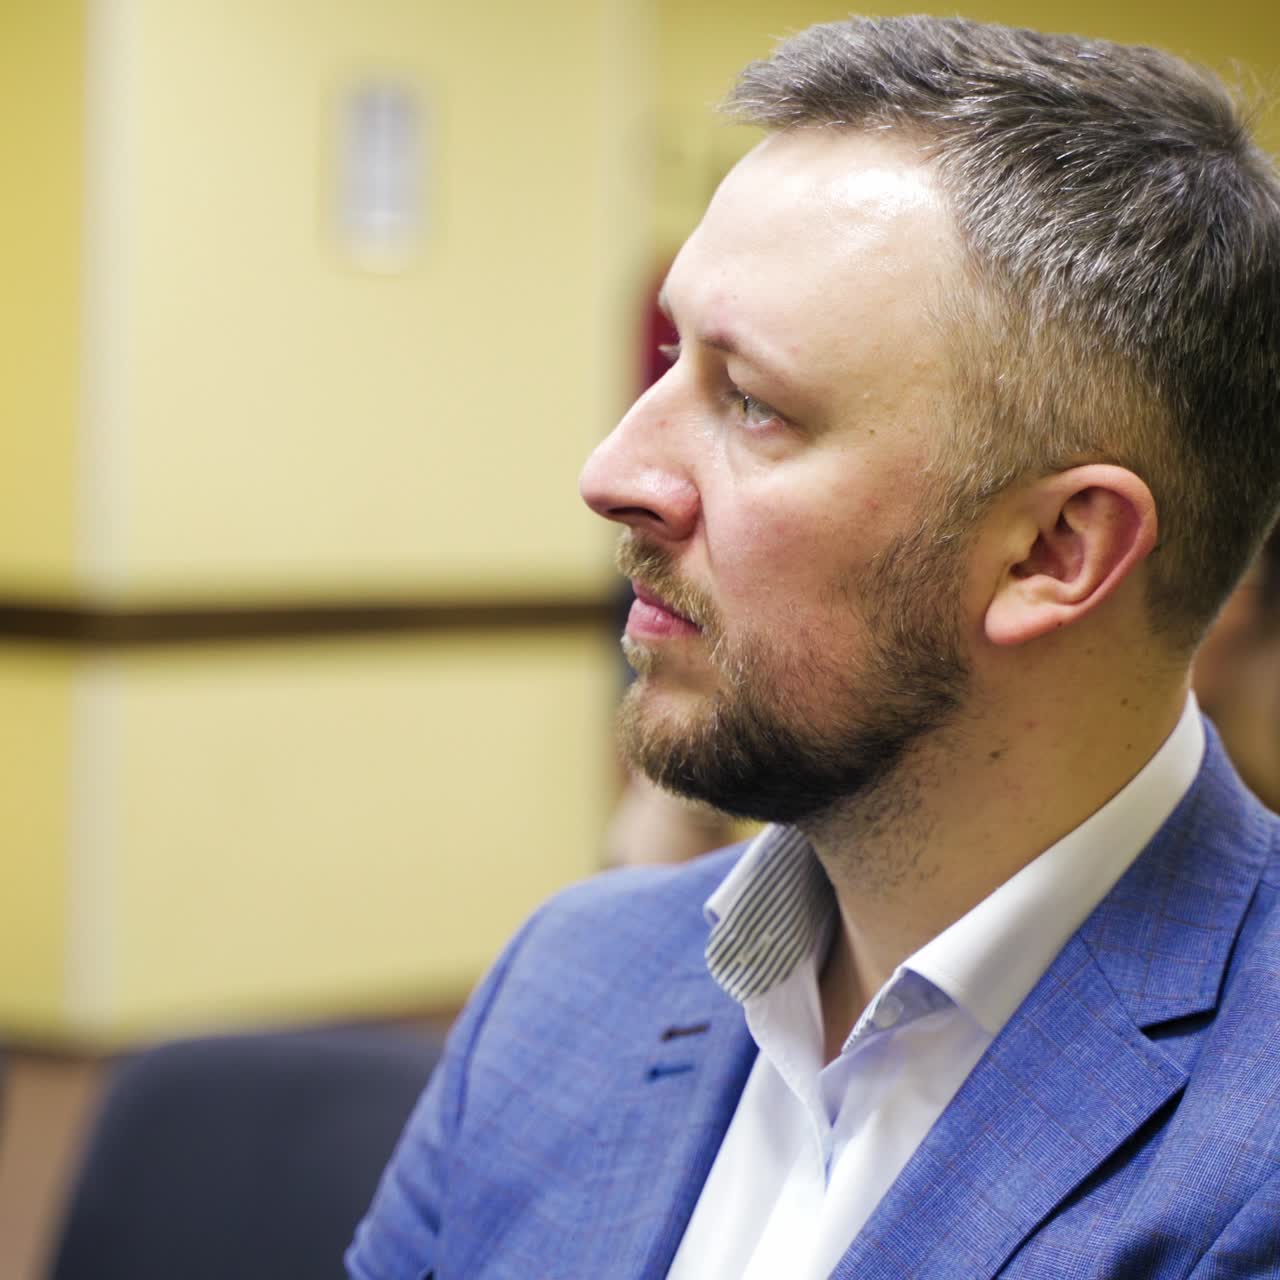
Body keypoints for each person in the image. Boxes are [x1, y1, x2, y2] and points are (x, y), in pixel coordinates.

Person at [348, 16, 1280, 1279]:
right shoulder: (565, 985)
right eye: (672, 354)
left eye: (751, 403)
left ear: (1053, 552)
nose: (612, 472)